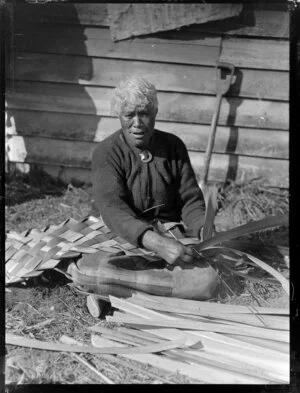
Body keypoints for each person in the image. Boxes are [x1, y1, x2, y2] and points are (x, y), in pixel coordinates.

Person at [91, 76, 206, 266]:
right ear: (119, 115)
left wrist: (202, 228)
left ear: (155, 112)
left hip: (168, 232)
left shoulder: (173, 146)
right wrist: (156, 243)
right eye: (129, 115)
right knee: (105, 266)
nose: (137, 123)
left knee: (205, 272)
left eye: (144, 114)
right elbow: (113, 210)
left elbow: (190, 200)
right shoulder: (106, 153)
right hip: (122, 233)